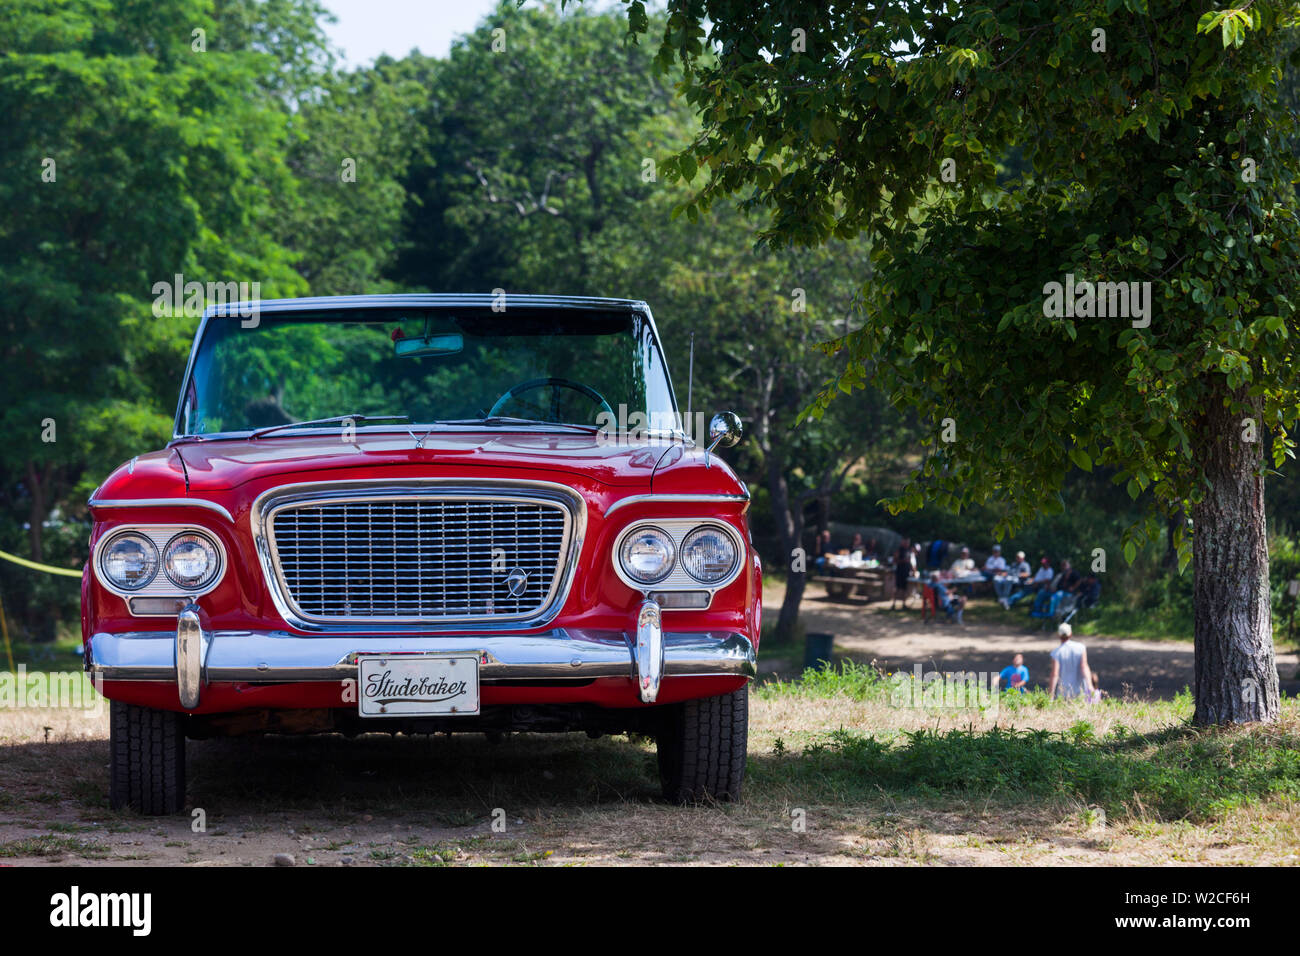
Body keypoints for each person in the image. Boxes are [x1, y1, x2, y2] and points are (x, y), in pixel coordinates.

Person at [1047, 623, 1092, 700]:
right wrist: (1090, 686)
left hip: (1063, 692)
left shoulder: (1056, 653)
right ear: (1070, 634)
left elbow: (1055, 674)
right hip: (1080, 690)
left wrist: (1051, 693)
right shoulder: (1081, 648)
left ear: (1059, 635)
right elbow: (1084, 667)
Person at [891, 536, 915, 609]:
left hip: (906, 572)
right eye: (906, 542)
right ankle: (893, 604)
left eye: (908, 542)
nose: (907, 544)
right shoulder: (899, 550)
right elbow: (894, 561)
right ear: (903, 542)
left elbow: (910, 561)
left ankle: (903, 604)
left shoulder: (908, 551)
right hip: (899, 572)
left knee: (905, 588)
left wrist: (912, 570)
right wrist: (903, 561)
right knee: (898, 588)